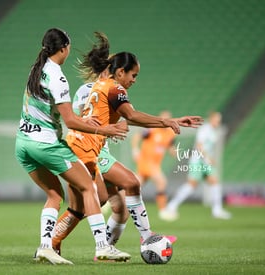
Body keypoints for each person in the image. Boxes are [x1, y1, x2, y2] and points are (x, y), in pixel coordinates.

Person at [52, 32, 202, 257]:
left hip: (87, 147)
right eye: (133, 75)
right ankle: (106, 245)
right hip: (86, 148)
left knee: (110, 204)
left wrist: (114, 126)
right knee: (108, 194)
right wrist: (167, 122)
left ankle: (61, 242)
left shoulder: (101, 86)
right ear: (118, 71)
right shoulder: (111, 87)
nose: (134, 80)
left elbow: (121, 117)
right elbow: (130, 116)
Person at [14, 28, 131, 265]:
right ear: (64, 49)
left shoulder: (35, 71)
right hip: (46, 145)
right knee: (89, 188)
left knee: (54, 194)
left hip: (23, 144)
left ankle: (46, 247)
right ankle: (102, 247)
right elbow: (69, 121)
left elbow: (51, 108)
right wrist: (103, 129)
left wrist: (85, 121)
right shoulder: (57, 77)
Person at [161, 112, 232, 221]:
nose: (218, 122)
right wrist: (208, 158)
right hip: (198, 160)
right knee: (191, 185)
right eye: (217, 120)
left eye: (219, 120)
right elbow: (199, 145)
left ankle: (217, 210)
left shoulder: (213, 131)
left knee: (215, 181)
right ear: (211, 119)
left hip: (205, 162)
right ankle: (172, 206)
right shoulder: (205, 130)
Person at [131, 110, 177, 219]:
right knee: (162, 182)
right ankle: (163, 210)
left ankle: (113, 202)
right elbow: (136, 137)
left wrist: (174, 152)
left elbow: (170, 147)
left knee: (135, 186)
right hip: (146, 161)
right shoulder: (152, 130)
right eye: (164, 119)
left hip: (155, 164)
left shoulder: (170, 134)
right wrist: (135, 150)